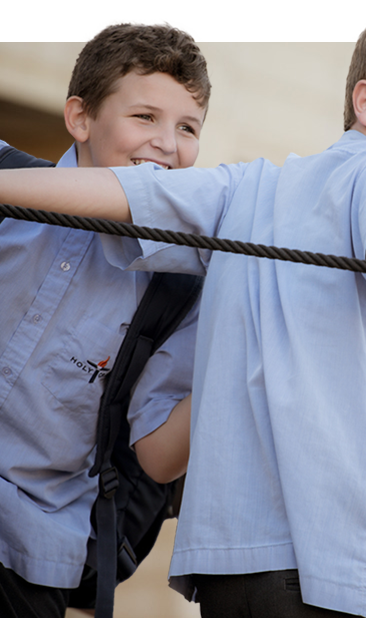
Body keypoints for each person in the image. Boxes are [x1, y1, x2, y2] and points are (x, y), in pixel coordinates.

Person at [2, 4, 366, 617]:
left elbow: (157, 451)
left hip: (229, 566)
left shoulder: (244, 189)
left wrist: (250, 361)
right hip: (337, 562)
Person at [0, 21, 210, 618]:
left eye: (188, 127)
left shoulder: (182, 289)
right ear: (81, 118)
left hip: (30, 556)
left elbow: (156, 461)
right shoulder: (8, 190)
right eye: (145, 118)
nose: (168, 144)